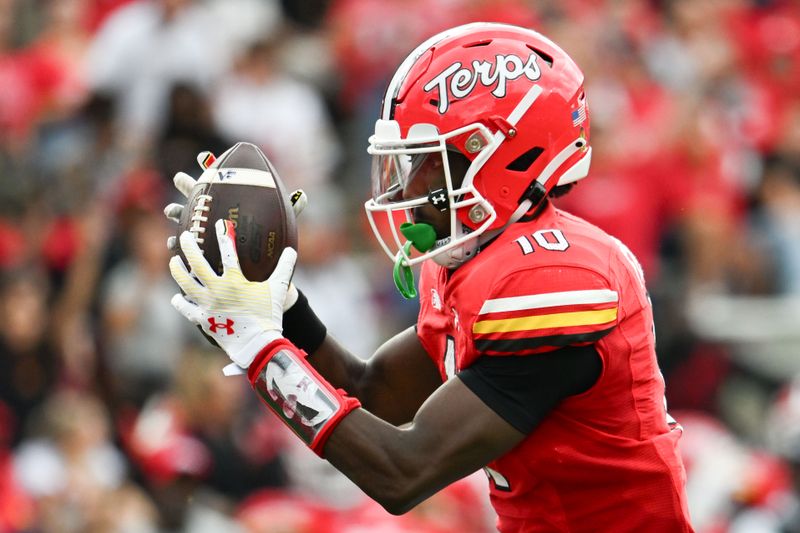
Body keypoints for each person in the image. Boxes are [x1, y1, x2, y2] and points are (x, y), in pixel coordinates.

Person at [166, 23, 694, 532]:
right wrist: (275, 305)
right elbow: (372, 393)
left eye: (422, 159)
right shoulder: (477, 264)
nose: (400, 189)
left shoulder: (553, 276)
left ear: (492, 159)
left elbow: (403, 471)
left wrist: (261, 349)